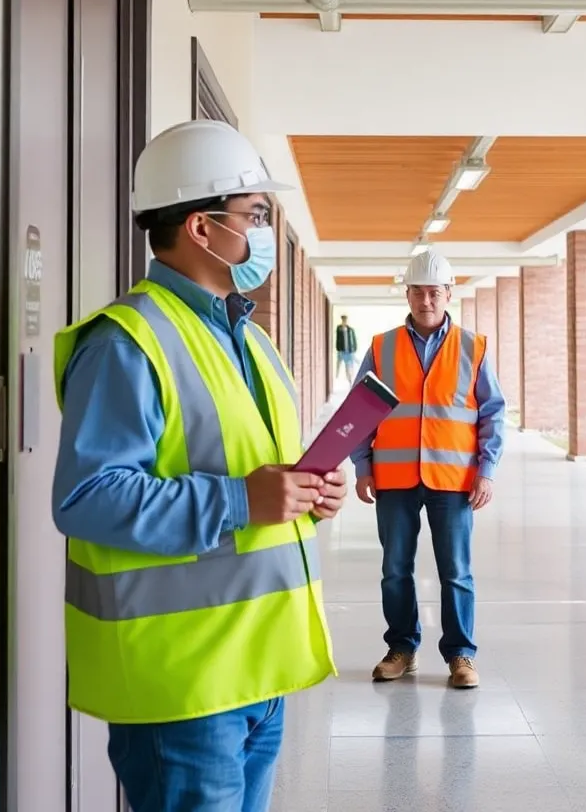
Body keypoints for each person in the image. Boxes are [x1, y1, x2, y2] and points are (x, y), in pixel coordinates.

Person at [51, 119, 346, 812]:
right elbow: (89, 498)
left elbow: (253, 468)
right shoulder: (128, 341)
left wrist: (309, 489)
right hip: (183, 687)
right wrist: (242, 502)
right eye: (253, 215)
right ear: (202, 229)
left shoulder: (249, 336)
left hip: (257, 674)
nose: (262, 233)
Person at [350, 247, 506, 689]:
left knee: (456, 570)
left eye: (434, 292)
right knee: (395, 568)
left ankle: (461, 656)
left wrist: (487, 469)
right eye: (418, 292)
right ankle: (402, 648)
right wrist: (362, 465)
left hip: (453, 479)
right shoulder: (383, 347)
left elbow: (493, 411)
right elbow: (361, 409)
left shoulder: (473, 347)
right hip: (394, 477)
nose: (426, 301)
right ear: (407, 294)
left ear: (449, 293)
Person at [335, 314, 358, 385]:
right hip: (341, 351)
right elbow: (338, 338)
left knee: (348, 368)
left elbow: (354, 339)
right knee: (338, 364)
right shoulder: (339, 329)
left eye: (345, 320)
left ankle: (350, 381)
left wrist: (355, 348)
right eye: (343, 320)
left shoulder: (350, 330)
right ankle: (336, 376)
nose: (344, 321)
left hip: (349, 351)